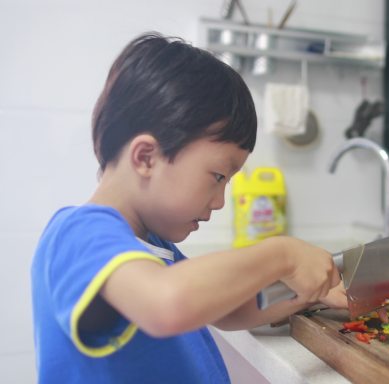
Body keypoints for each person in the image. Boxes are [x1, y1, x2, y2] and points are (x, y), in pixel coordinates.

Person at [31, 32, 347, 383]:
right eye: (217, 176)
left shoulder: (154, 247)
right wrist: (282, 254)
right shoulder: (77, 234)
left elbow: (229, 309)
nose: (220, 201)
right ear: (146, 157)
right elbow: (167, 303)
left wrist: (305, 292)